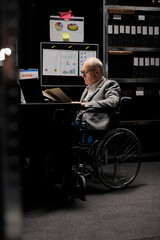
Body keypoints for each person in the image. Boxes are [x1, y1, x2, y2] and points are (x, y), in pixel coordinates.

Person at [72, 57, 121, 132]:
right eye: (82, 72)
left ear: (97, 72)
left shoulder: (110, 84)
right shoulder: (87, 88)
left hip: (93, 127)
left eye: (85, 72)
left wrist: (84, 105)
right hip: (80, 124)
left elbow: (113, 102)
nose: (82, 76)